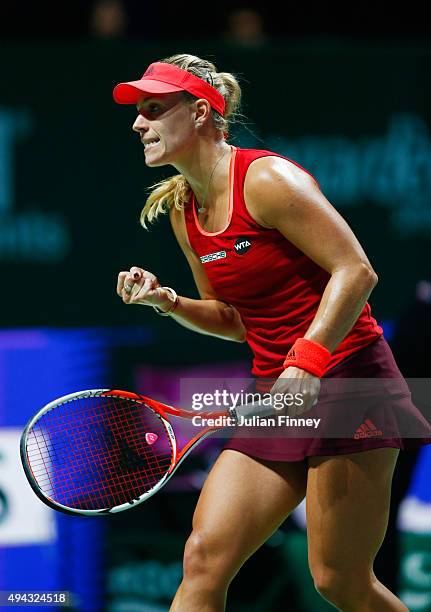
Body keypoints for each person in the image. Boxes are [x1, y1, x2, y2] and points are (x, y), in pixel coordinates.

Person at [112, 54, 430, 611]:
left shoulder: (266, 178)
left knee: (339, 581)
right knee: (203, 559)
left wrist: (306, 361)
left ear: (204, 113)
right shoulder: (186, 209)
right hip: (277, 398)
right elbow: (235, 320)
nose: (139, 123)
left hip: (353, 386)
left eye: (154, 109)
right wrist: (169, 302)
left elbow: (356, 271)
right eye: (139, 112)